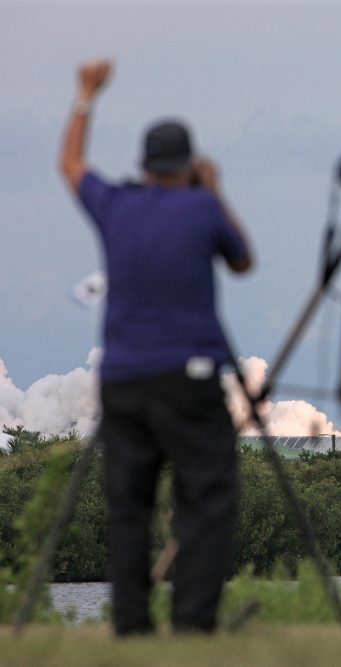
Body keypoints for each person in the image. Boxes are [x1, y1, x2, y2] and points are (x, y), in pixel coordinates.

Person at [59, 59, 254, 635]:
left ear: (143, 164)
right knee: (206, 499)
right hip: (188, 381)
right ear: (189, 165)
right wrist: (215, 190)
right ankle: (193, 624)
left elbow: (70, 165)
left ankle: (131, 626)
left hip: (121, 381)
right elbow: (242, 259)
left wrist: (85, 96)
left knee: (129, 509)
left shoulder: (116, 205)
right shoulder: (201, 208)